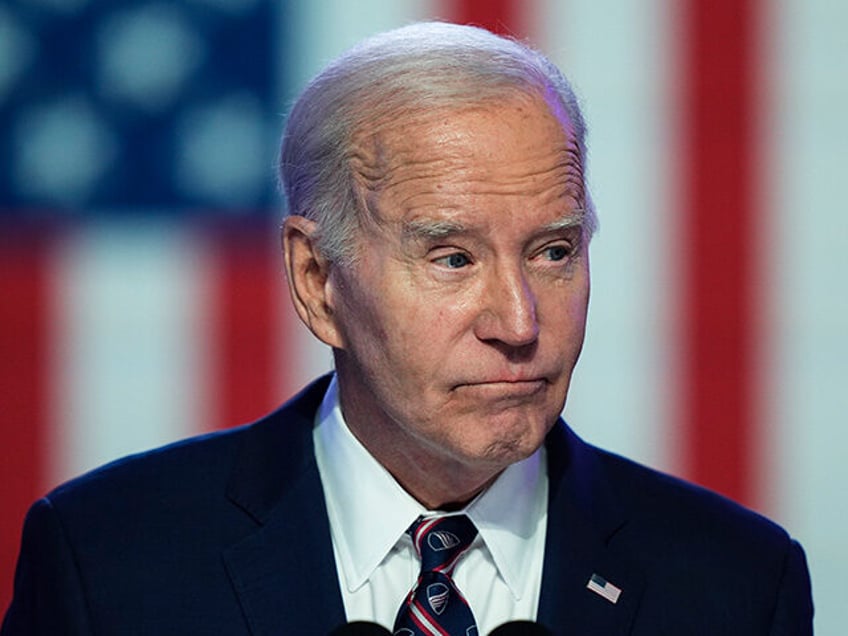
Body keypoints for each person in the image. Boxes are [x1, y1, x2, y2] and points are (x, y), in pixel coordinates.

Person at [2, 22, 812, 635]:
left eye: (554, 251)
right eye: (453, 259)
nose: (520, 322)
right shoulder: (106, 564)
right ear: (318, 282)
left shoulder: (737, 583)